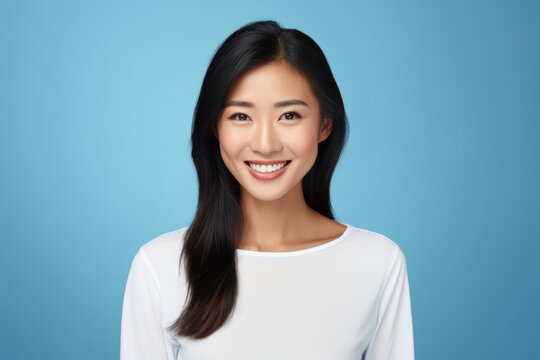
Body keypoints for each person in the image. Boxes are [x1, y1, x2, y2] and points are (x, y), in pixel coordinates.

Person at [120, 20, 414, 360]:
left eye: (289, 115)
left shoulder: (378, 262)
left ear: (324, 126)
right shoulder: (160, 266)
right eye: (241, 117)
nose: (265, 144)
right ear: (215, 127)